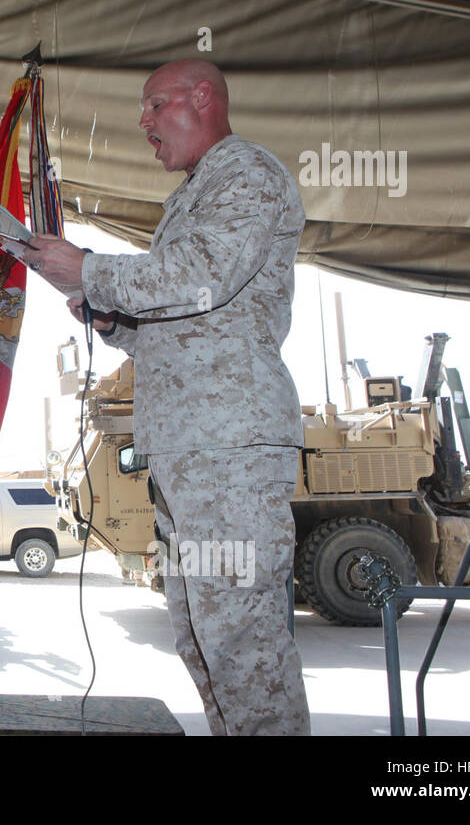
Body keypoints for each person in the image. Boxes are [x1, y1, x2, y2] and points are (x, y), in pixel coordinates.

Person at [24, 58, 311, 735]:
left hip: (229, 447)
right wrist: (111, 317)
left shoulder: (246, 173)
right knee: (203, 641)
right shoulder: (192, 195)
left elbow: (202, 275)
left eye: (154, 106)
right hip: (190, 448)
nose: (145, 124)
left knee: (243, 646)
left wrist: (90, 269)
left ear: (201, 97)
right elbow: (182, 324)